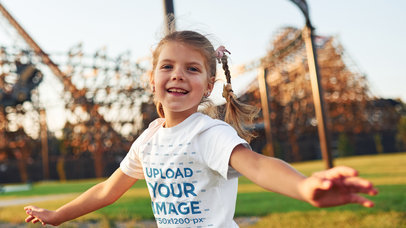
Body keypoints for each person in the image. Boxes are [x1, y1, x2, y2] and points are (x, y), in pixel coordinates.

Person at [24, 30, 378, 227]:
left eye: (192, 69)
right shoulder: (148, 139)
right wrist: (57, 216)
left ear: (208, 86)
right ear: (153, 79)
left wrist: (305, 187)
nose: (178, 74)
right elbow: (107, 190)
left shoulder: (208, 134)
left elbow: (256, 165)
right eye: (168, 66)